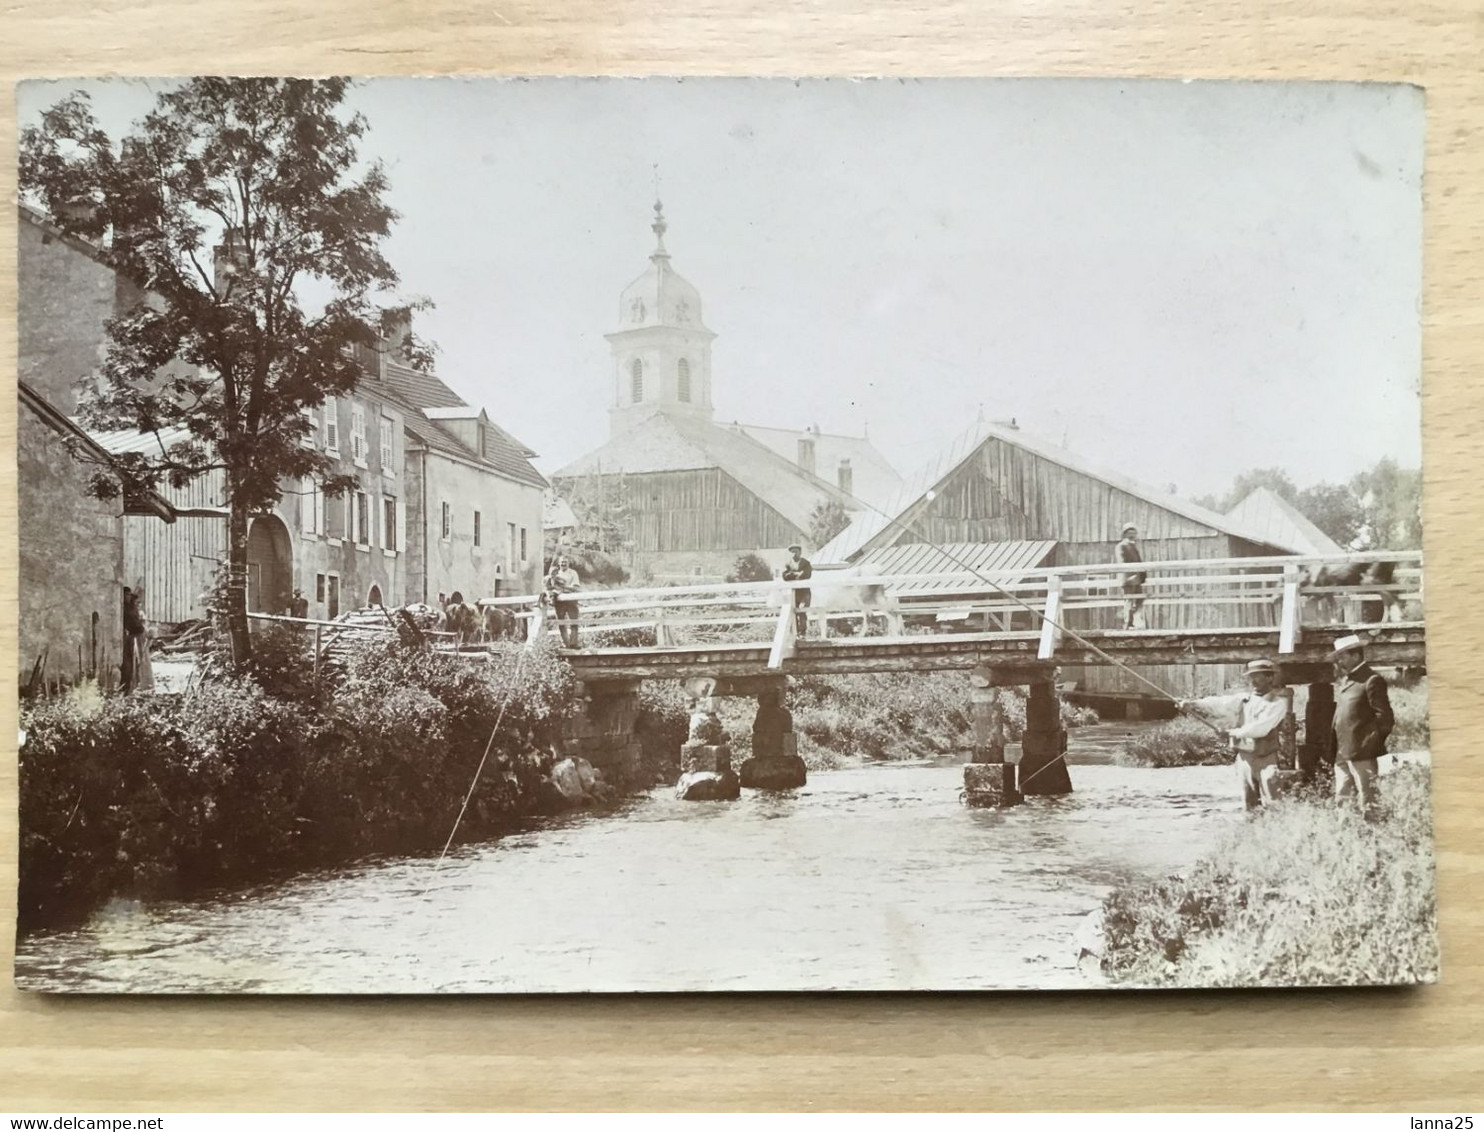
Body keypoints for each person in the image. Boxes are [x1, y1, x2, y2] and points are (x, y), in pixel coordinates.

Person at [1179, 658, 1289, 812]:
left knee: (1274, 803)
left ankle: (1277, 831)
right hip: (1244, 759)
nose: (1253, 680)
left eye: (1258, 676)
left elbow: (1260, 729)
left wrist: (1232, 733)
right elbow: (1219, 703)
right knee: (1249, 806)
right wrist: (1193, 703)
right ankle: (1250, 832)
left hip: (1266, 759)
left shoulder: (1277, 703)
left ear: (1270, 678)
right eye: (1251, 676)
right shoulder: (1244, 699)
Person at [1330, 634, 1393, 819]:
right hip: (1343, 750)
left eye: (1343, 656)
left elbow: (1385, 718)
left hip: (1362, 751)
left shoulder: (1371, 680)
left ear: (1356, 656)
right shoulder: (1347, 680)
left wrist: (1369, 745)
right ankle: (1347, 833)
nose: (1339, 661)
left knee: (1368, 795)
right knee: (1343, 794)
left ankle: (1374, 834)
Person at [545, 556, 582, 648]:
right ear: (558, 563)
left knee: (574, 622)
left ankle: (574, 643)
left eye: (565, 562)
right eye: (562, 562)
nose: (563, 564)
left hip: (571, 600)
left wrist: (564, 586)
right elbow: (549, 587)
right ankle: (566, 644)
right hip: (559, 602)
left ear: (568, 563)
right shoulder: (554, 573)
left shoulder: (573, 573)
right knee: (561, 623)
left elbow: (576, 588)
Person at [1116, 523, 1147, 629]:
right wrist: (1129, 576)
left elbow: (1139, 561)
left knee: (1140, 599)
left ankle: (1133, 619)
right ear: (1125, 534)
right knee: (1129, 600)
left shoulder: (1133, 546)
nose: (1132, 535)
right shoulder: (1121, 546)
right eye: (1129, 532)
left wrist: (1142, 574)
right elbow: (1122, 562)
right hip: (1128, 579)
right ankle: (1127, 623)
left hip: (1137, 579)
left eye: (1134, 533)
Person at [782, 544, 813, 639]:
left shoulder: (806, 563)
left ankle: (802, 632)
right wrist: (796, 574)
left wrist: (794, 575)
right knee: (793, 612)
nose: (794, 554)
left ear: (800, 552)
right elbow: (785, 576)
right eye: (792, 552)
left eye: (796, 551)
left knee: (802, 610)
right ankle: (794, 634)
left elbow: (806, 575)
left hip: (804, 592)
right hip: (794, 592)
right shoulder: (788, 564)